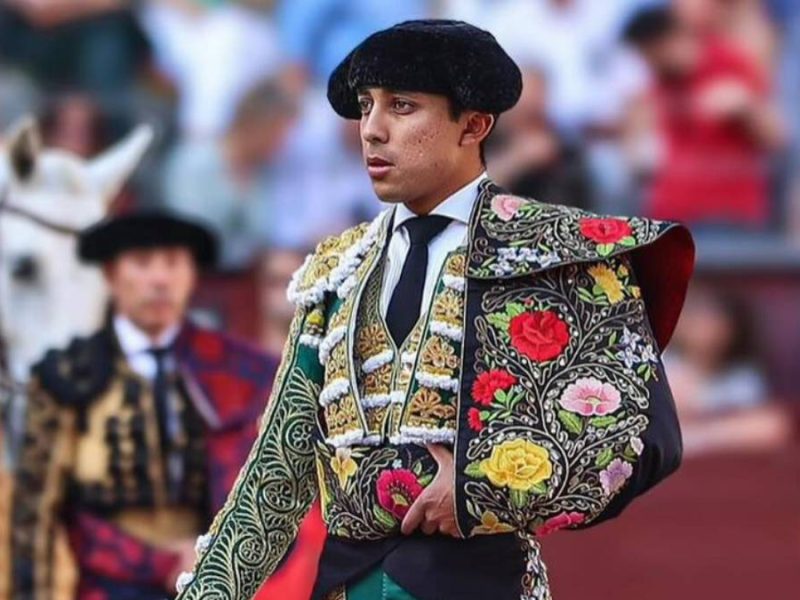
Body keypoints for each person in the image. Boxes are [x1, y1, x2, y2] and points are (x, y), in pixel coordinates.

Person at [175, 20, 695, 600]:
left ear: (473, 125)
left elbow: (643, 439)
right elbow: (279, 470)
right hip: (351, 585)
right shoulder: (336, 270)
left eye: (401, 107)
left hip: (484, 581)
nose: (371, 130)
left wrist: (479, 489)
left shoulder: (555, 254)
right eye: (366, 107)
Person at [10, 210, 280, 599]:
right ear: (110, 276)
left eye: (173, 264)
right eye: (142, 264)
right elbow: (34, 521)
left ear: (192, 276)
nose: (159, 280)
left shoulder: (244, 371)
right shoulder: (63, 378)